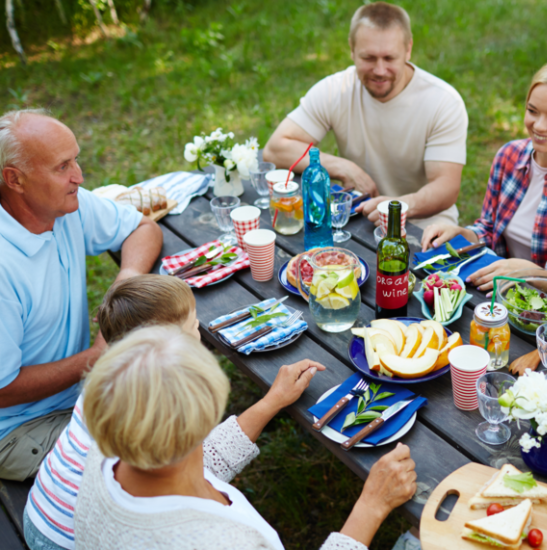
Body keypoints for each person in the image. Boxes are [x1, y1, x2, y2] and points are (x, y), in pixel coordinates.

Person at [23, 275, 328, 550]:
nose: (201, 333)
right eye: (194, 327)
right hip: (65, 537)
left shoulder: (113, 388)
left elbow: (187, 464)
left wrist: (271, 401)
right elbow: (194, 467)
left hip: (42, 510)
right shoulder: (213, 538)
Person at [74, 325, 417, 550]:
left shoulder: (107, 453)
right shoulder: (223, 542)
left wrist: (270, 403)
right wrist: (372, 506)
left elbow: (190, 462)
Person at [0, 109, 163, 482]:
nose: (79, 176)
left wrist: (126, 278)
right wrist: (95, 358)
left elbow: (142, 228)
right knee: (154, 458)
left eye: (76, 159)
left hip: (76, 396)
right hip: (17, 429)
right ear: (15, 179)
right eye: (62, 167)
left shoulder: (63, 204)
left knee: (173, 405)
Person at [420, 59, 547, 316]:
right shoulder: (508, 156)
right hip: (498, 298)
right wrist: (462, 234)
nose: (539, 125)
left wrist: (530, 272)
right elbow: (489, 229)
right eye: (532, 111)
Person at [263, 2, 468, 229]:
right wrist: (343, 167)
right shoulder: (335, 90)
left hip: (426, 227)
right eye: (369, 58)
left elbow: (446, 186)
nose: (380, 70)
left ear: (408, 49)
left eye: (389, 58)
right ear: (351, 49)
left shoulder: (443, 102)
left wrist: (397, 206)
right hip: (359, 220)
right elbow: (275, 149)